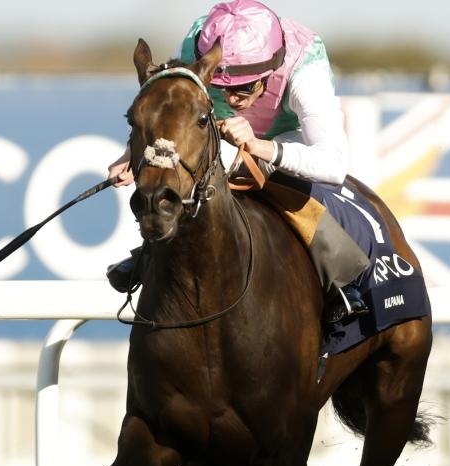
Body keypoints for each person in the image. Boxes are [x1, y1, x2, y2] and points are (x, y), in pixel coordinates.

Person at [106, 0, 369, 324]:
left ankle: (339, 276)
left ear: (271, 68)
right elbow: (173, 114)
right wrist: (130, 154)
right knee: (184, 173)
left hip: (288, 137)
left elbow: (333, 164)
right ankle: (150, 251)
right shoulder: (195, 47)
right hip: (218, 133)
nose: (231, 99)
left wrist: (260, 146)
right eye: (221, 87)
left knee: (270, 172)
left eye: (245, 88)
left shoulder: (305, 67)